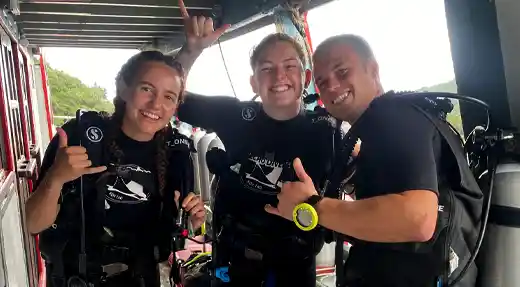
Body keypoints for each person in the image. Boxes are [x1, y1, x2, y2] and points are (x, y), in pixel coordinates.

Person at [266, 34, 483, 287]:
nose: (331, 86)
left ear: (373, 69)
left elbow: (416, 219)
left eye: (342, 71)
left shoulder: (393, 116)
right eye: (322, 82)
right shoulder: (393, 124)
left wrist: (310, 206)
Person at [172, 1, 338, 286]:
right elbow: (173, 98)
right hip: (235, 261)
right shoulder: (236, 115)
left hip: (296, 265)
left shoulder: (327, 131)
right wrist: (191, 51)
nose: (279, 77)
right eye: (266, 69)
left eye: (290, 67)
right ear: (253, 83)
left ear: (306, 77)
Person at [25, 51, 205, 287]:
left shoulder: (176, 153)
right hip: (77, 278)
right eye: (146, 89)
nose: (156, 104)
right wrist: (56, 178)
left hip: (142, 278)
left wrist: (193, 218)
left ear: (176, 107)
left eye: (169, 97)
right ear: (123, 88)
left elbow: (180, 228)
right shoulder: (81, 137)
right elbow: (32, 223)